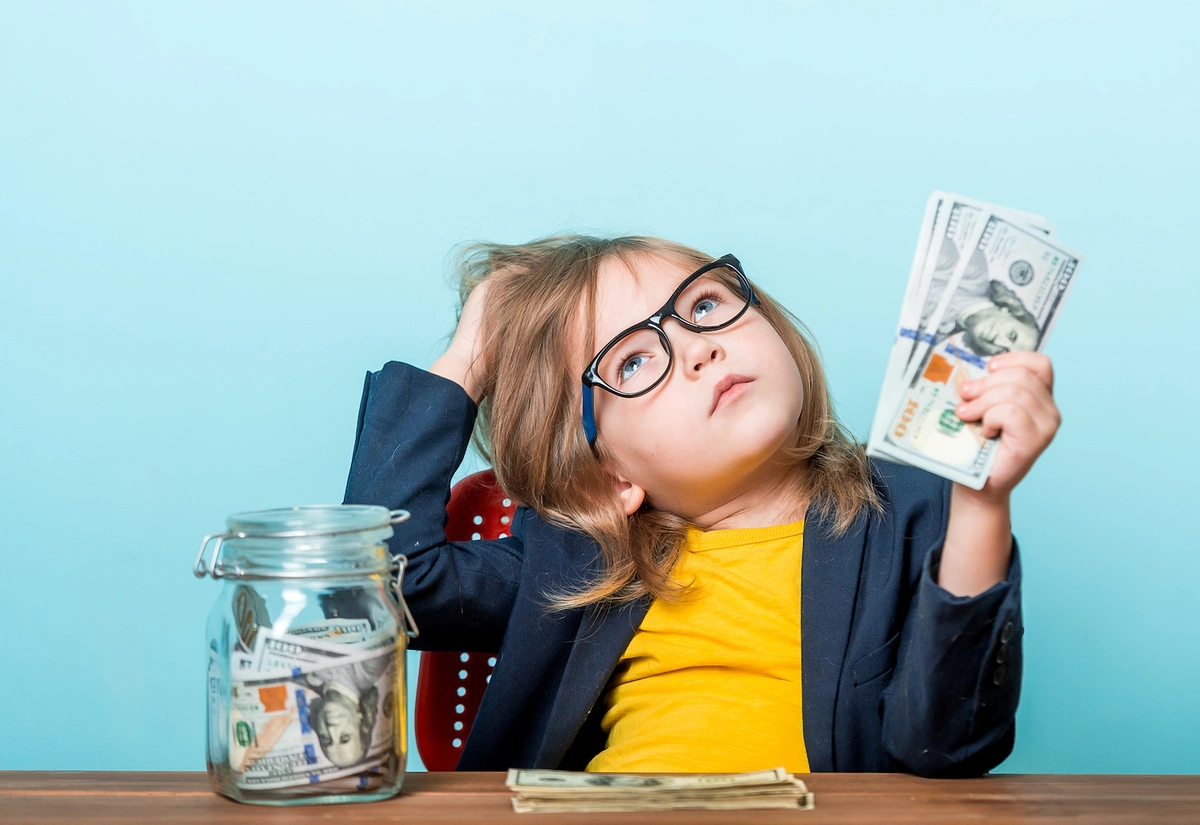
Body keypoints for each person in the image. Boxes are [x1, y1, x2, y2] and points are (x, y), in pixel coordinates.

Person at [343, 235, 1060, 776]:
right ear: (606, 480)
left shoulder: (909, 509)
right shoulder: (572, 563)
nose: (697, 349)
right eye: (632, 360)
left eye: (706, 305)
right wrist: (472, 355)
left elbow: (949, 745)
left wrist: (983, 502)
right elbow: (374, 580)